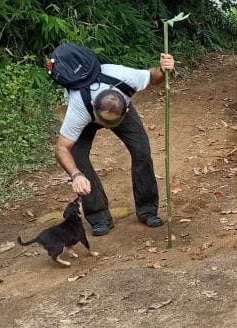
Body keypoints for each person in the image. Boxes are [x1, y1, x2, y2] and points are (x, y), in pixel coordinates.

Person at [54, 53, 176, 236]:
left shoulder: (124, 77)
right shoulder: (79, 108)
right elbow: (62, 148)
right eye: (103, 123)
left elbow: (153, 76)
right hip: (87, 113)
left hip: (112, 108)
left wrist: (165, 68)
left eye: (110, 125)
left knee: (141, 151)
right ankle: (98, 216)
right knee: (78, 158)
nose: (105, 128)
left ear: (125, 108)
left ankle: (147, 210)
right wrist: (76, 175)